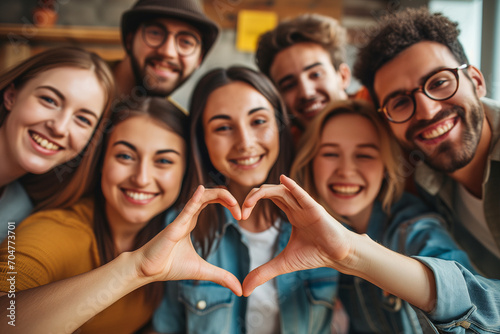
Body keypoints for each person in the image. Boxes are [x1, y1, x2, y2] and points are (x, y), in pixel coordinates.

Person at [0, 97, 243, 334]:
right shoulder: (54, 231)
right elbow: (6, 320)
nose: (141, 178)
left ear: (185, 172)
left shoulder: (175, 232)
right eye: (125, 156)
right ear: (102, 161)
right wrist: (135, 269)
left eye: (164, 161)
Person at [152, 67, 338, 334]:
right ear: (202, 140)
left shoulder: (324, 217)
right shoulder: (180, 229)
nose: (245, 142)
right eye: (224, 127)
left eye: (259, 121)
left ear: (280, 126)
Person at [287, 99, 482, 331]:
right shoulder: (306, 236)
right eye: (330, 154)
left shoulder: (412, 227)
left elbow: (474, 304)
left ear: (386, 165)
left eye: (365, 155)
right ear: (311, 161)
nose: (346, 170)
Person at [353, 8, 500, 279]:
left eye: (440, 82)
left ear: (477, 82)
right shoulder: (420, 179)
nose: (427, 111)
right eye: (399, 102)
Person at [0, 46, 115, 242]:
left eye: (83, 119)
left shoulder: (19, 209)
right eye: (49, 100)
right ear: (11, 96)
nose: (60, 128)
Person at [255, 13, 370, 142]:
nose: (306, 93)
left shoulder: (381, 110)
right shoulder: (283, 146)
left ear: (343, 76)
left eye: (316, 74)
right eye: (289, 85)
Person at [112, 0, 219, 98]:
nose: (168, 52)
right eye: (155, 33)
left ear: (200, 58)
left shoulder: (175, 118)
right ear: (129, 40)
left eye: (186, 42)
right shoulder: (95, 79)